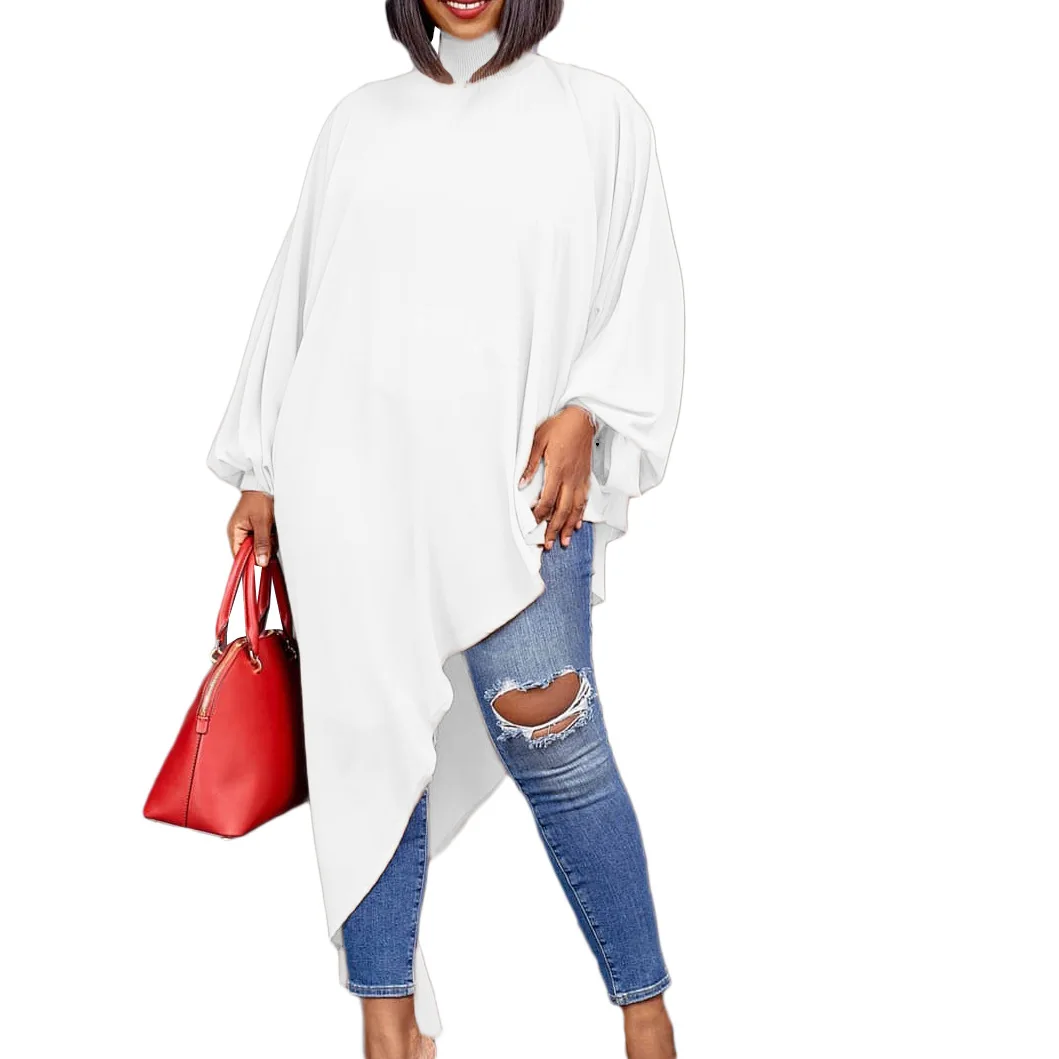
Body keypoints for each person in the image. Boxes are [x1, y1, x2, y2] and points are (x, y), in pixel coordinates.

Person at [205, 1, 685, 1056]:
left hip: (517, 491)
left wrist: (589, 409)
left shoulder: (599, 115)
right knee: (365, 752)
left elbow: (638, 290)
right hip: (347, 492)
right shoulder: (357, 121)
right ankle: (390, 1031)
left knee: (558, 745)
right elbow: (297, 298)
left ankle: (645, 1015)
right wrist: (263, 472)